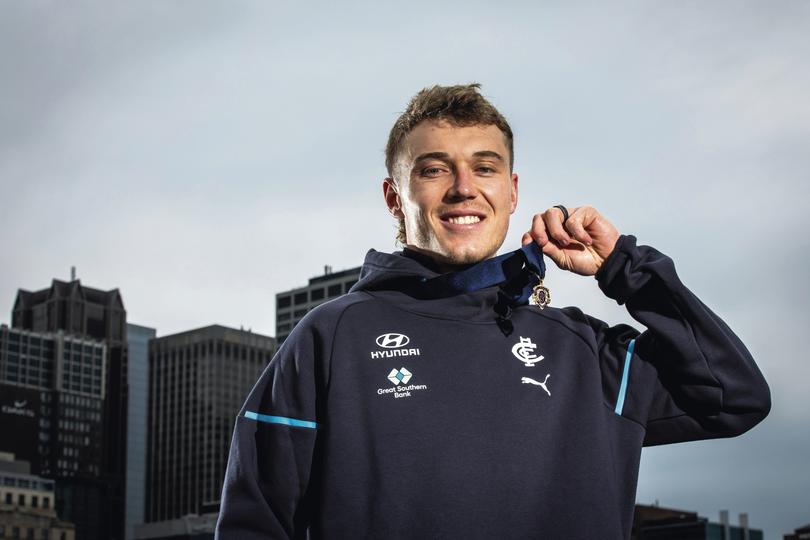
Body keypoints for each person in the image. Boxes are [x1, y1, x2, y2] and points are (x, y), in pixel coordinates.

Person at [215, 84, 770, 540]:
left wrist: (624, 268)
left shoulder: (582, 348)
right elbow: (254, 522)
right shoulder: (331, 335)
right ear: (393, 196)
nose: (463, 188)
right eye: (434, 169)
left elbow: (732, 398)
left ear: (511, 191)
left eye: (485, 168)